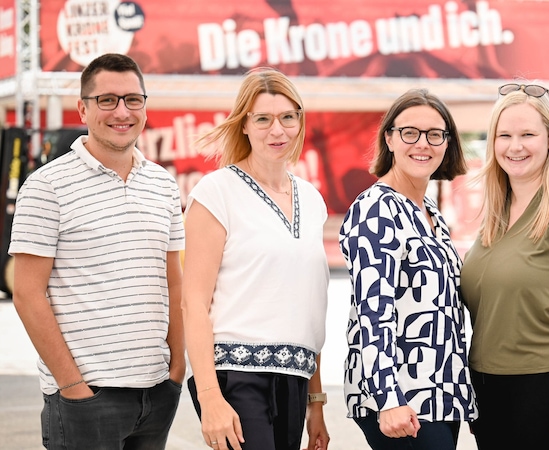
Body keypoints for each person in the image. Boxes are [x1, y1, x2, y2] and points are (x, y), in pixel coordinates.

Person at [9, 53, 185, 449]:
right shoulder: (46, 187)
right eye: (107, 100)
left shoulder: (163, 185)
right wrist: (73, 386)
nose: (121, 111)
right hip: (86, 397)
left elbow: (173, 283)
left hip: (157, 392)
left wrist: (176, 369)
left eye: (132, 99)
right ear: (83, 109)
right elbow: (27, 294)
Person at [182, 67, 330, 450]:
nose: (276, 130)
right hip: (235, 377)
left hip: (295, 376)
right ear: (244, 125)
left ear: (299, 121)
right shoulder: (217, 192)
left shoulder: (312, 201)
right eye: (262, 119)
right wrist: (211, 397)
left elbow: (308, 310)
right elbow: (193, 303)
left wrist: (316, 402)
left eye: (287, 118)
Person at [460, 84, 549, 449]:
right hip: (489, 387)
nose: (515, 146)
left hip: (548, 385)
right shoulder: (494, 213)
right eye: (504, 135)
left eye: (528, 134)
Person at [339, 88, 477, 449]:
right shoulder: (376, 209)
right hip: (401, 398)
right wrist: (388, 399)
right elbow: (374, 312)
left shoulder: (430, 212)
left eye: (435, 134)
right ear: (389, 138)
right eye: (410, 132)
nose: (423, 144)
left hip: (440, 395)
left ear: (447, 143)